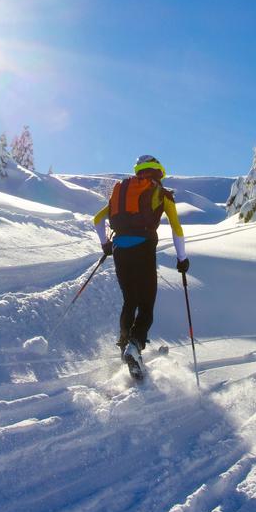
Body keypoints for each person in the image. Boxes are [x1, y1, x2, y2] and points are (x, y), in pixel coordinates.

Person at [93, 154, 189, 375]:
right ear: (158, 172)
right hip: (143, 248)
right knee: (146, 304)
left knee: (130, 300)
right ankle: (134, 346)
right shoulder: (162, 194)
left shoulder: (123, 192)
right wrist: (182, 258)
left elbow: (97, 221)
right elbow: (176, 229)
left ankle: (125, 345)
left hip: (119, 249)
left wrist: (105, 245)